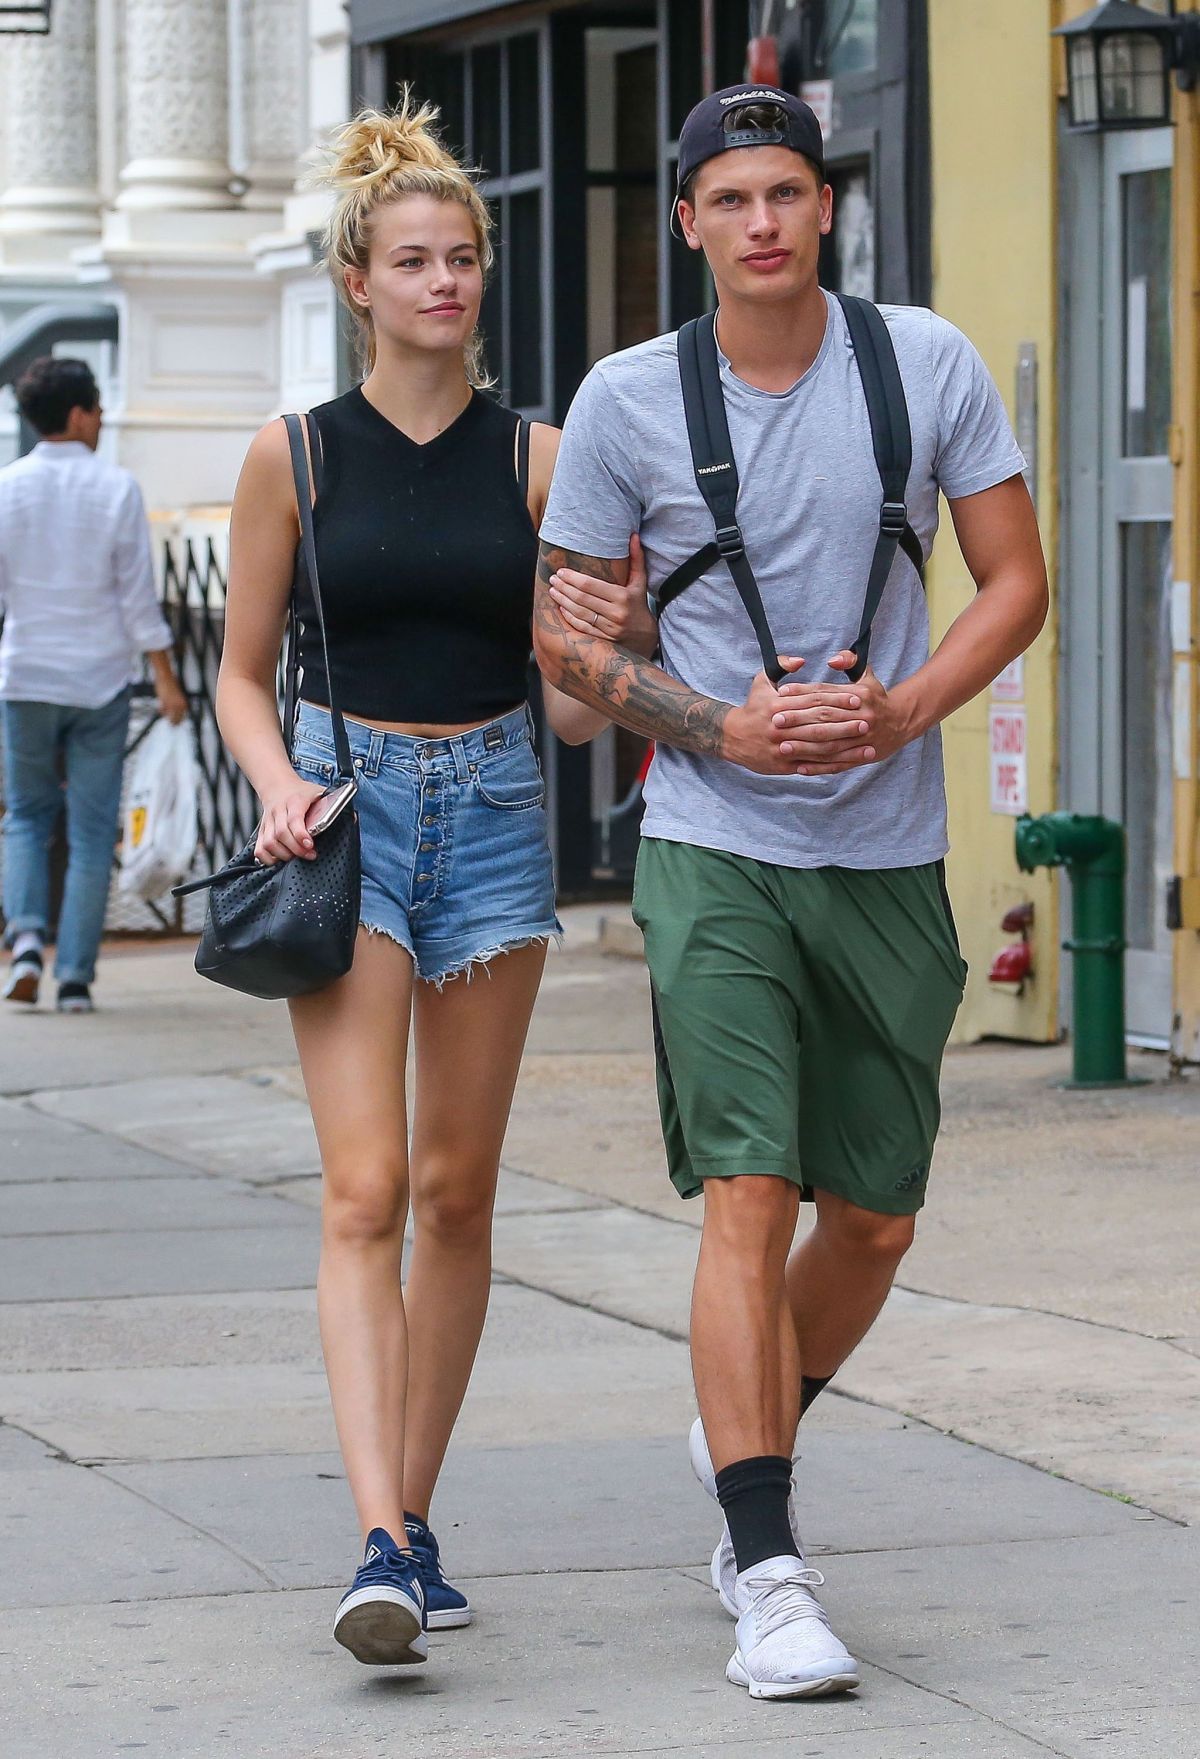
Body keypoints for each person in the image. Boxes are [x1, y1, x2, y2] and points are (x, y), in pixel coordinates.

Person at [535, 85, 1048, 1701]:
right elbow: (567, 646)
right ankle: (767, 1568)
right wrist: (720, 725)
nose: (762, 221)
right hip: (715, 840)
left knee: (875, 1215)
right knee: (747, 1190)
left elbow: (1016, 577)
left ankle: (742, 1424)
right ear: (687, 222)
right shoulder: (626, 400)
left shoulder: (925, 364)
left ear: (827, 207)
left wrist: (905, 709)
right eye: (731, 198)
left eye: (787, 192)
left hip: (887, 844)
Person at [215, 97, 656, 1670]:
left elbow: (575, 715)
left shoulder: (543, 461)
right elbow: (242, 674)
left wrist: (616, 632)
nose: (444, 282)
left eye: (462, 258)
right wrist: (278, 788)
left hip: (496, 809)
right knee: (367, 1188)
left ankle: (413, 1513)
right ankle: (379, 1537)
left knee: (460, 1190)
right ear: (358, 280)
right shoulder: (294, 455)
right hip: (347, 810)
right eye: (414, 260)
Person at [0, 357, 187, 1014]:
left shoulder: (7, 487)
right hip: (100, 680)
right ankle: (75, 977)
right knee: (90, 831)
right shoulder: (116, 488)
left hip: (25, 676)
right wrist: (166, 678)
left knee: (25, 817)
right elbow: (138, 600)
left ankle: (26, 943)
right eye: (99, 409)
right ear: (79, 414)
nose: (103, 420)